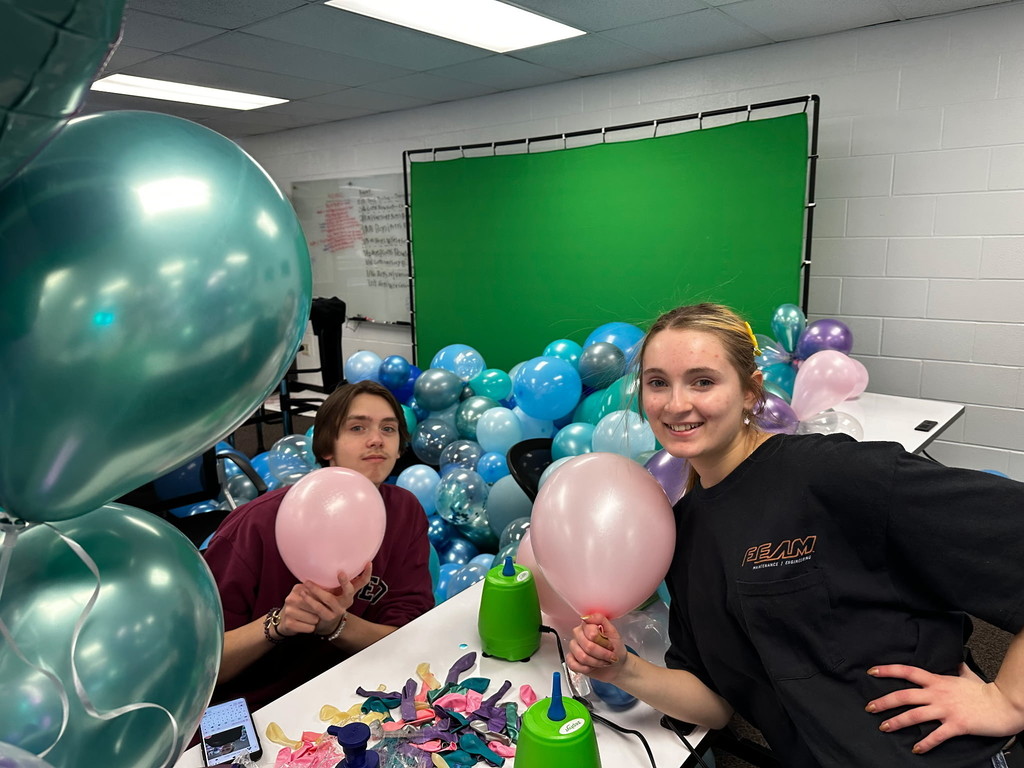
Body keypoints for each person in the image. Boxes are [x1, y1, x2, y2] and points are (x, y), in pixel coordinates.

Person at [567, 303, 1024, 767]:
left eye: (703, 381)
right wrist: (624, 668)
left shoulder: (833, 474)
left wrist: (1007, 702)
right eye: (658, 382)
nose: (676, 403)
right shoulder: (683, 533)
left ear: (750, 392)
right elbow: (717, 704)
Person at [204, 380, 433, 711]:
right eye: (358, 427)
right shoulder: (254, 526)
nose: (376, 439)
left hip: (359, 693)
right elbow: (206, 666)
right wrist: (280, 623)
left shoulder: (404, 513)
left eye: (389, 428)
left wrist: (336, 625)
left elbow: (404, 635)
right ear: (327, 446)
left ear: (399, 448)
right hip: (261, 706)